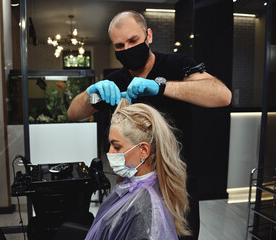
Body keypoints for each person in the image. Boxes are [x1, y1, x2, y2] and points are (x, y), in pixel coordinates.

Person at [67, 10, 232, 239]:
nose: (127, 49)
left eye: (133, 41)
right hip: (135, 186)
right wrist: (91, 94)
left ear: (149, 36)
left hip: (177, 184)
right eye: (120, 46)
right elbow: (74, 112)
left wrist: (162, 87)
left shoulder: (176, 65)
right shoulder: (117, 80)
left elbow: (222, 95)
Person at [85, 99, 189, 239]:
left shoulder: (147, 208)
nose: (109, 153)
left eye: (117, 147)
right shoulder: (132, 185)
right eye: (110, 145)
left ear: (143, 151)